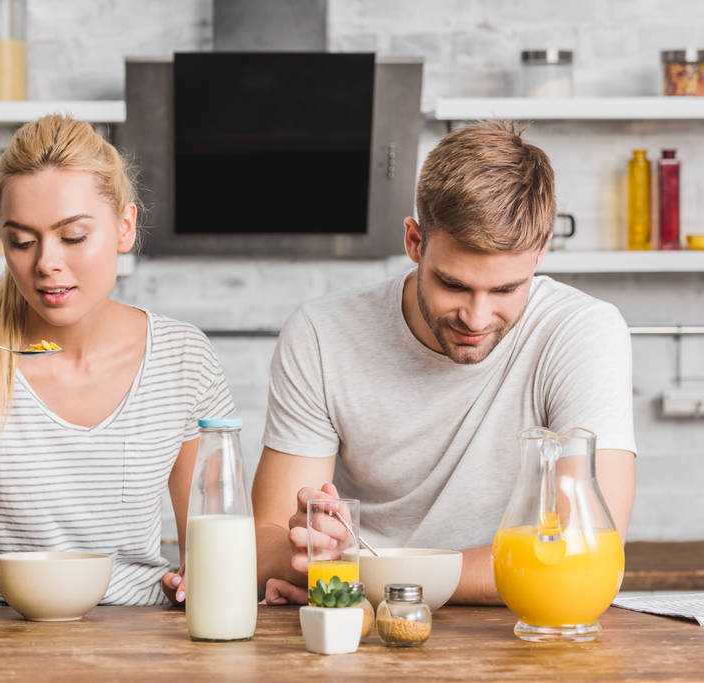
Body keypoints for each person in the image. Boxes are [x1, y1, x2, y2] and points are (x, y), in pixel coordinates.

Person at [252, 121, 637, 605]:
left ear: (541, 254)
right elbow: (264, 542)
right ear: (415, 242)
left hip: (509, 632)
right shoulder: (321, 333)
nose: (476, 317)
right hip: (361, 631)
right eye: (453, 284)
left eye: (505, 289)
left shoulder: (583, 330)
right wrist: (307, 543)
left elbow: (587, 551)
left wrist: (366, 574)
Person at [0, 115, 234, 606]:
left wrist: (205, 578)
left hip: (140, 644)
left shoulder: (181, 356)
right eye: (21, 241)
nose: (45, 263)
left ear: (125, 227)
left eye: (72, 237)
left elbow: (214, 539)